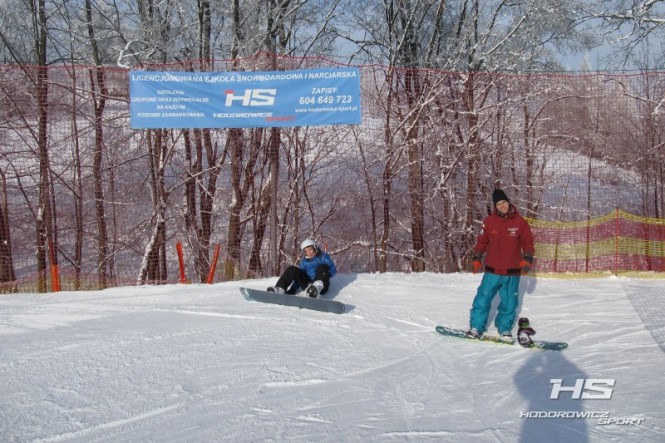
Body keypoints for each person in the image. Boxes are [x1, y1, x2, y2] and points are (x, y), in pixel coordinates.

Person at [467, 189, 535, 340]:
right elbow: (482, 241)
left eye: (504, 202)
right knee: (483, 298)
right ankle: (476, 327)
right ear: (495, 206)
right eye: (498, 204)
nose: (502, 206)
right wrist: (476, 257)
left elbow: (528, 242)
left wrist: (527, 258)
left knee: (509, 302)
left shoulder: (520, 222)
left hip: (512, 271)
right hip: (492, 270)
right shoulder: (489, 221)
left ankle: (504, 328)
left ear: (508, 202)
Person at [267, 238, 337, 298]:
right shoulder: (304, 261)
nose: (309, 252)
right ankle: (280, 289)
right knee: (292, 269)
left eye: (310, 249)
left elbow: (333, 270)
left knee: (323, 266)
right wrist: (293, 289)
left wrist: (325, 274)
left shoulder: (323, 256)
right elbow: (299, 276)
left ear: (314, 248)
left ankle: (315, 289)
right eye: (306, 251)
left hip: (322, 286)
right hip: (308, 286)